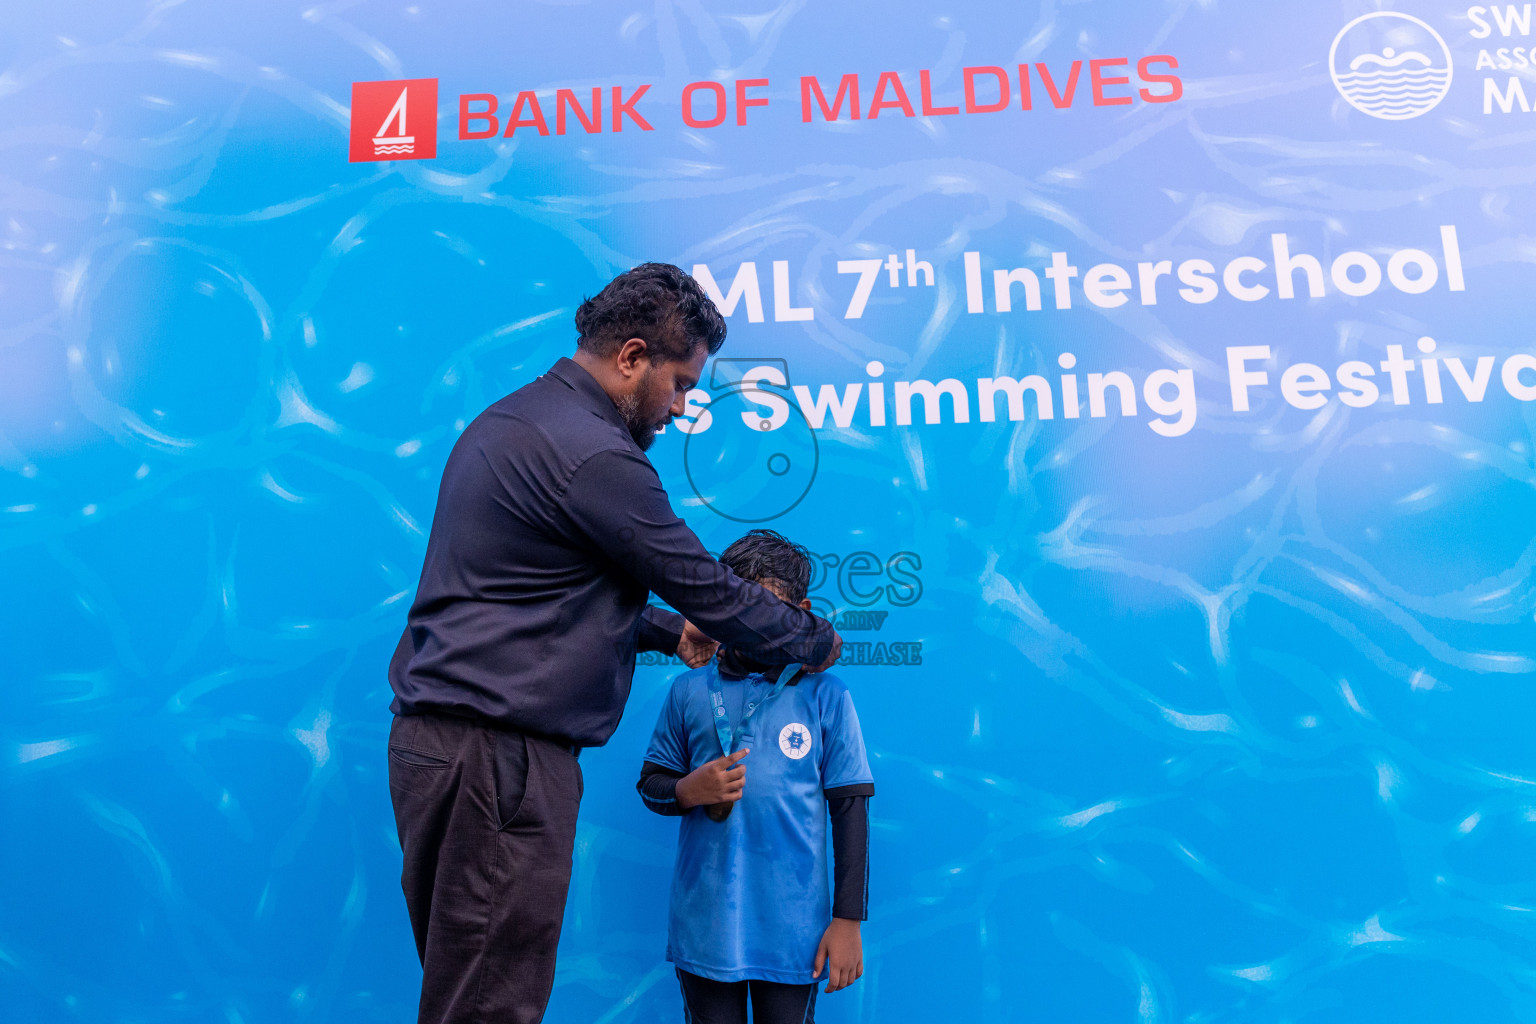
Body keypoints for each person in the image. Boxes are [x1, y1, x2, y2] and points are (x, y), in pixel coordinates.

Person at [386, 264, 842, 1024]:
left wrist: (669, 631)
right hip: (499, 765)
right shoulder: (594, 456)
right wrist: (813, 639)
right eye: (682, 384)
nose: (681, 408)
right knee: (487, 1009)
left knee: (464, 993)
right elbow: (713, 589)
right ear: (631, 357)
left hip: (447, 753)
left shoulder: (511, 423)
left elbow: (535, 602)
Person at [637, 529, 874, 1024]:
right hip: (705, 930)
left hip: (795, 933)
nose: (752, 628)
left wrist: (847, 920)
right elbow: (652, 784)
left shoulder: (827, 696)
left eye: (767, 613)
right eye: (738, 612)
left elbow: (850, 810)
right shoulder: (687, 691)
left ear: (802, 611)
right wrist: (687, 790)